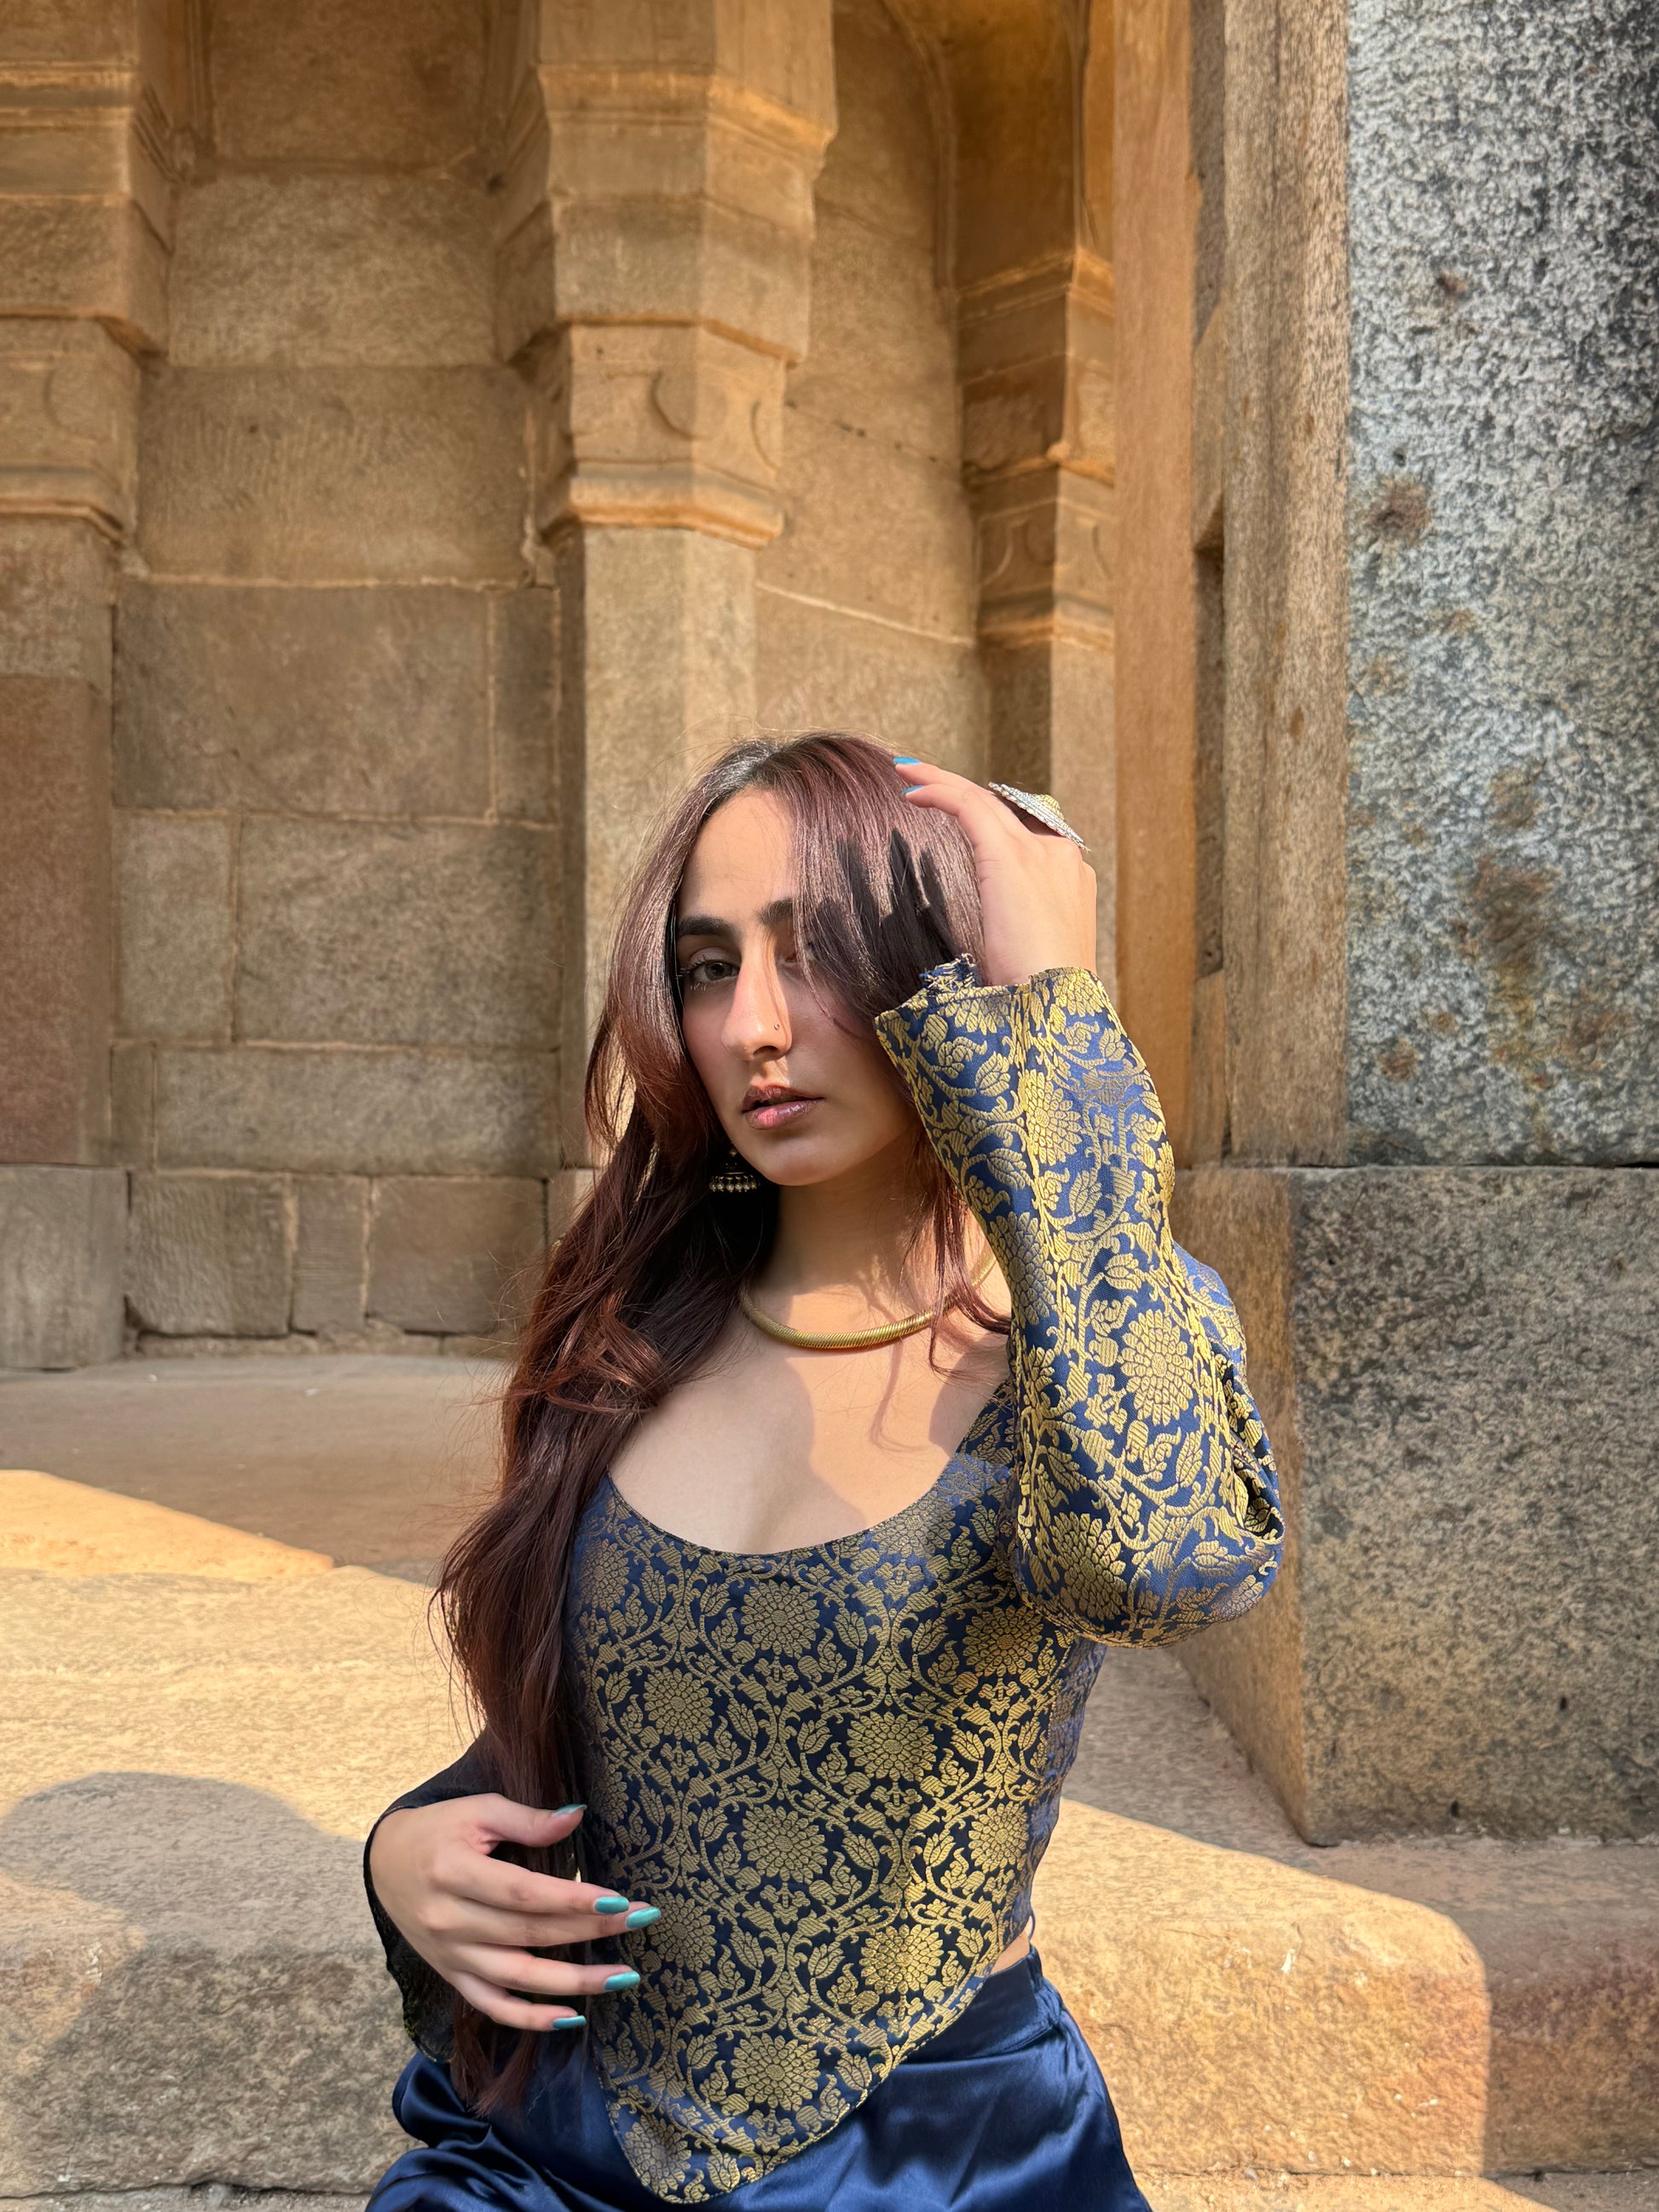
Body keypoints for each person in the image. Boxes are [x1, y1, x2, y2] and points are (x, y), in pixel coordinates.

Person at [362, 733, 1282, 2210]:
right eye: (708, 966)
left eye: (817, 953)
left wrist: (1056, 1024)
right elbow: (641, 1721)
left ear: (950, 966)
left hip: (934, 2161)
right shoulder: (632, 1329)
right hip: (551, 2151)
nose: (753, 1026)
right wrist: (407, 1851)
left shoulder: (1084, 1344)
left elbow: (1163, 1564)